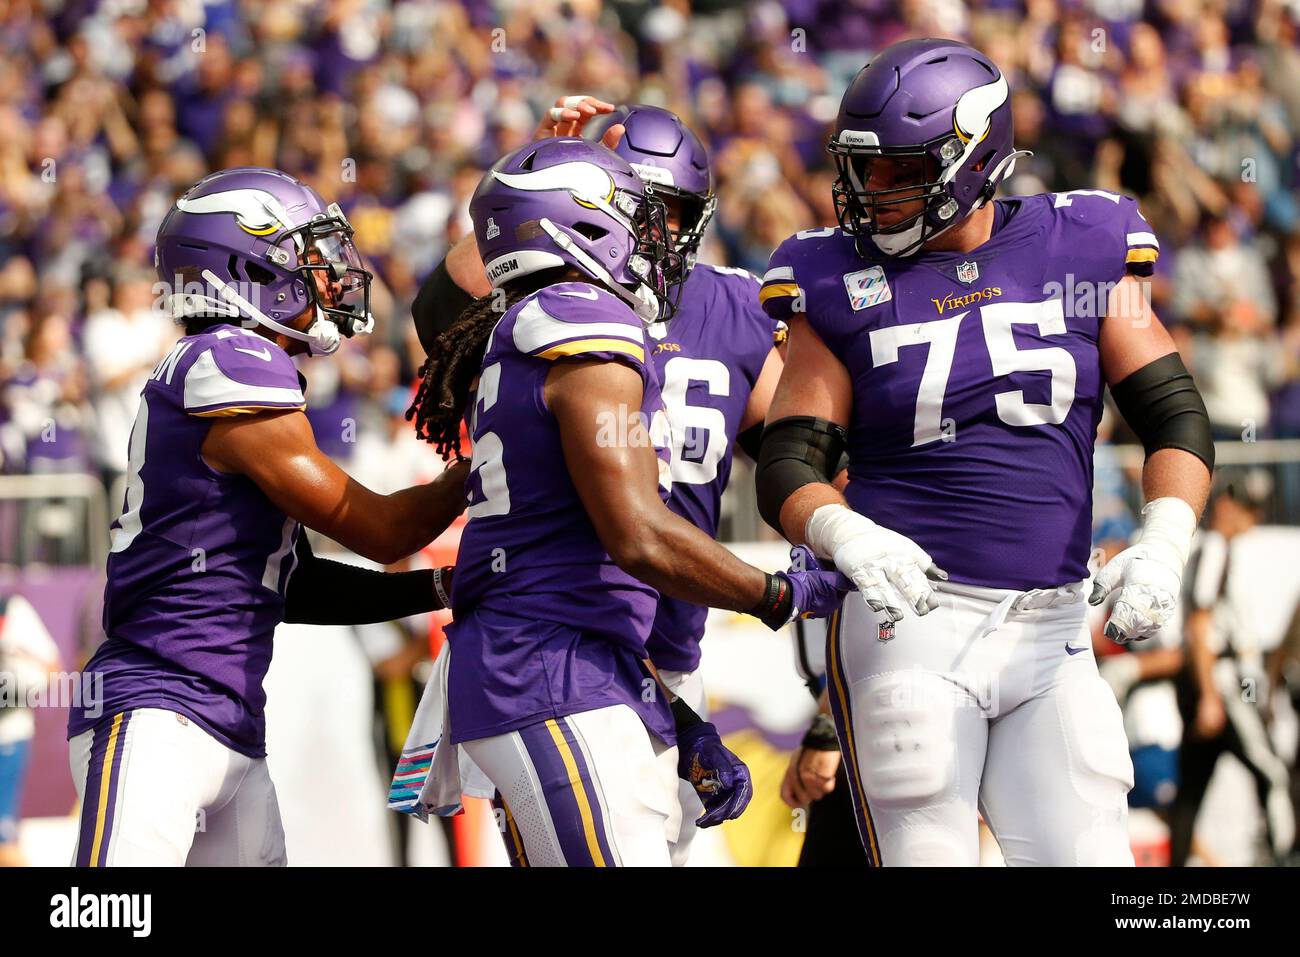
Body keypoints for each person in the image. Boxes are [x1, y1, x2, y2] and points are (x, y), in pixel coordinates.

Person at [755, 38, 1215, 866]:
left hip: (1055, 627)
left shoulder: (1083, 239)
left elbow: (1175, 415)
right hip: (912, 626)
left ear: (975, 156)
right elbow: (790, 458)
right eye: (862, 169)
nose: (872, 193)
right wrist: (846, 534)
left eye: (898, 170)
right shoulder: (833, 275)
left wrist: (1164, 542)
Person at [407, 137, 850, 867]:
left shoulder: (560, 318)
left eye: (668, 214)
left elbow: (793, 459)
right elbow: (638, 536)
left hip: (602, 653)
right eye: (638, 214)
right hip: (549, 664)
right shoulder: (579, 317)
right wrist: (782, 592)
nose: (656, 238)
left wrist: (676, 713)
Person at [67, 167, 470, 867]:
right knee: (109, 915)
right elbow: (381, 529)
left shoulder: (236, 367)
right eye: (307, 257)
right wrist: (489, 462)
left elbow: (296, 585)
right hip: (158, 707)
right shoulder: (231, 359)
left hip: (229, 720)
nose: (331, 276)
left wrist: (438, 588)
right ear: (247, 269)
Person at [1169, 472, 1296, 866]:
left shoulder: (1211, 550)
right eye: (1245, 508)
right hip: (1219, 684)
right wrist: (1209, 695)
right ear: (1226, 507)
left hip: (1209, 684)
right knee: (1272, 775)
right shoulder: (1214, 549)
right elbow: (1200, 627)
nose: (1250, 518)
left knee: (1192, 788)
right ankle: (1284, 859)